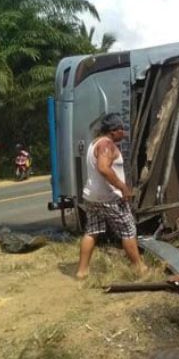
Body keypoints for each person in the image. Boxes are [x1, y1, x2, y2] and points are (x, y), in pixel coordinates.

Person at [76, 113, 147, 279]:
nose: (124, 133)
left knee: (92, 231)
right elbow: (103, 168)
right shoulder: (107, 145)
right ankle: (140, 269)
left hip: (92, 197)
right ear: (114, 131)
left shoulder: (95, 143)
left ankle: (82, 271)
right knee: (128, 230)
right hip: (108, 198)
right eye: (122, 130)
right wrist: (123, 187)